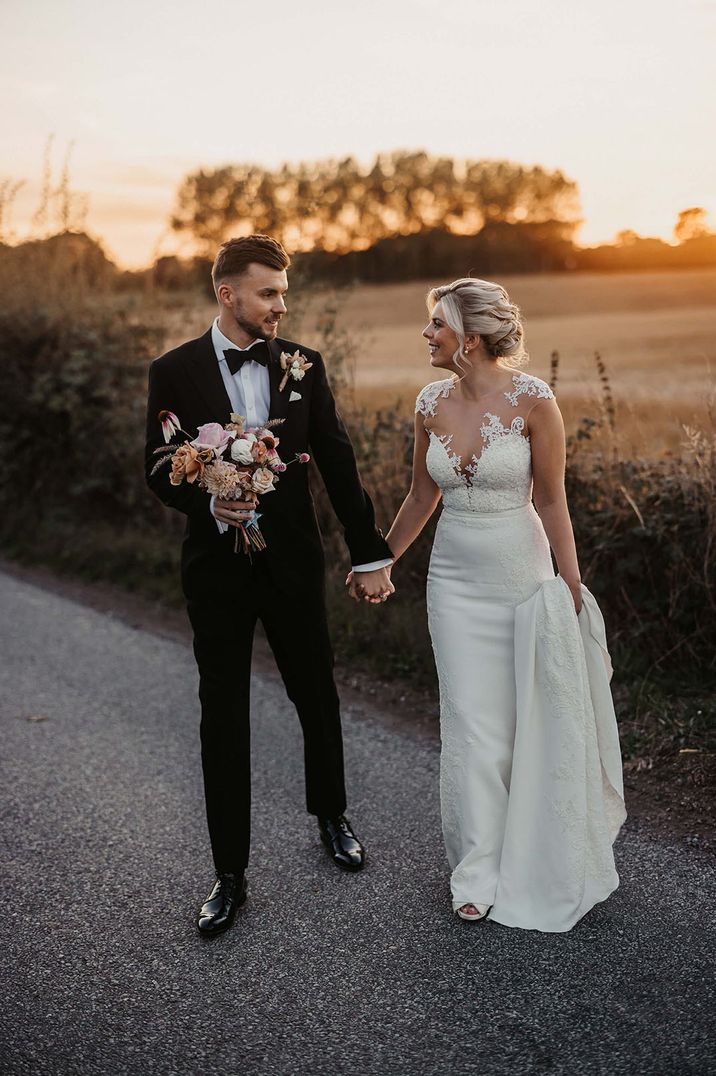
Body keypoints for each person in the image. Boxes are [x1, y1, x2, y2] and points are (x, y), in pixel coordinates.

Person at [144, 235, 394, 936]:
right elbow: (159, 466)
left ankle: (332, 816)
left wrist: (368, 550)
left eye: (284, 293)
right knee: (220, 712)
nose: (282, 306)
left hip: (291, 562)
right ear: (228, 295)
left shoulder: (303, 366)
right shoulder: (173, 369)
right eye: (269, 294)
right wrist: (207, 501)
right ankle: (229, 873)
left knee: (316, 688)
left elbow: (337, 462)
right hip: (215, 574)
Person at [371, 277, 626, 932]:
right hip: (453, 584)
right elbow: (419, 499)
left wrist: (569, 584)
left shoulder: (536, 402)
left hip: (522, 575)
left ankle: (535, 849)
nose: (426, 335)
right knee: (471, 723)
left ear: (472, 337)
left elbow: (550, 500)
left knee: (525, 719)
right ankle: (478, 869)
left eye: (436, 326)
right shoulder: (428, 403)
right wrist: (381, 559)